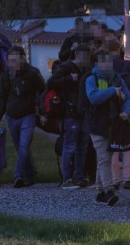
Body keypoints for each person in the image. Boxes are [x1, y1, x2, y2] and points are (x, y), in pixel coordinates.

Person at [85, 47, 130, 206]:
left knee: (103, 158)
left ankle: (100, 192)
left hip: (113, 125)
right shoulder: (91, 79)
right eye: (103, 61)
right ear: (97, 63)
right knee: (105, 158)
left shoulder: (118, 78)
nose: (107, 64)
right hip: (97, 126)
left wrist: (126, 112)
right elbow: (94, 98)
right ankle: (109, 191)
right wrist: (112, 91)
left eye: (109, 61)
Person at [0, 45, 46, 188]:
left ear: (23, 59)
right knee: (21, 148)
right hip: (11, 116)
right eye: (10, 60)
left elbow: (43, 92)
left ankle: (18, 176)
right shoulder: (6, 75)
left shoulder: (33, 74)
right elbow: (3, 97)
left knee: (24, 146)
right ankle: (31, 173)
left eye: (16, 60)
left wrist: (43, 112)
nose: (13, 64)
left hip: (28, 114)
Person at [47, 44, 93, 190]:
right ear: (79, 55)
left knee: (82, 146)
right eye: (87, 56)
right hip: (70, 112)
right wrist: (68, 79)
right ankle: (67, 178)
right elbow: (51, 82)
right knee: (70, 146)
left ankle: (79, 177)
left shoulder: (86, 70)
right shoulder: (67, 67)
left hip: (83, 111)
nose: (88, 60)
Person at [110, 41, 130, 191]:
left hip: (112, 114)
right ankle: (129, 178)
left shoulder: (103, 69)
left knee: (113, 146)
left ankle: (114, 179)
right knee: (129, 143)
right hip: (129, 112)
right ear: (119, 49)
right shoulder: (127, 66)